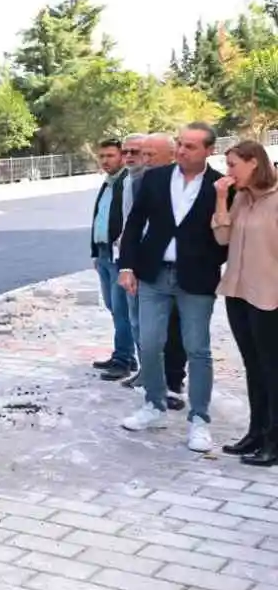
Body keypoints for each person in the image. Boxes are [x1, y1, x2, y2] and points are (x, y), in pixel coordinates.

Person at [118, 123, 227, 450]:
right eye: (180, 144)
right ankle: (153, 405)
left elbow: (226, 235)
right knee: (150, 343)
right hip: (153, 275)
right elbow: (135, 223)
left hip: (196, 279)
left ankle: (199, 420)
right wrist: (127, 266)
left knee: (198, 349)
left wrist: (208, 259)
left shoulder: (221, 185)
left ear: (209, 150)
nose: (181, 151)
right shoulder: (155, 178)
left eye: (191, 146)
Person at [212, 140, 278, 466]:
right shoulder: (241, 198)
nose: (229, 172)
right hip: (238, 293)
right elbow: (222, 239)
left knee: (272, 369)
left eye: (233, 165)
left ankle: (274, 441)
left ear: (254, 163)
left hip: (270, 297)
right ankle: (256, 432)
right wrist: (222, 198)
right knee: (253, 366)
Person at [115, 133, 187, 409]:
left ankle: (173, 383)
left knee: (180, 331)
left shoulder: (186, 183)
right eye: (139, 154)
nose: (143, 160)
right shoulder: (138, 182)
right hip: (148, 268)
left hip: (182, 269)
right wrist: (128, 264)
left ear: (171, 155)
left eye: (149, 155)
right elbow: (132, 226)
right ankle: (153, 382)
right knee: (149, 328)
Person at [89, 139, 135, 379]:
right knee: (112, 306)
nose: (105, 160)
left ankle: (123, 360)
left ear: (122, 156)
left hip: (120, 258)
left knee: (121, 310)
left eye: (110, 155)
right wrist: (96, 253)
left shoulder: (127, 182)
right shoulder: (108, 183)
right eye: (102, 156)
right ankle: (128, 355)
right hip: (104, 254)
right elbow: (99, 219)